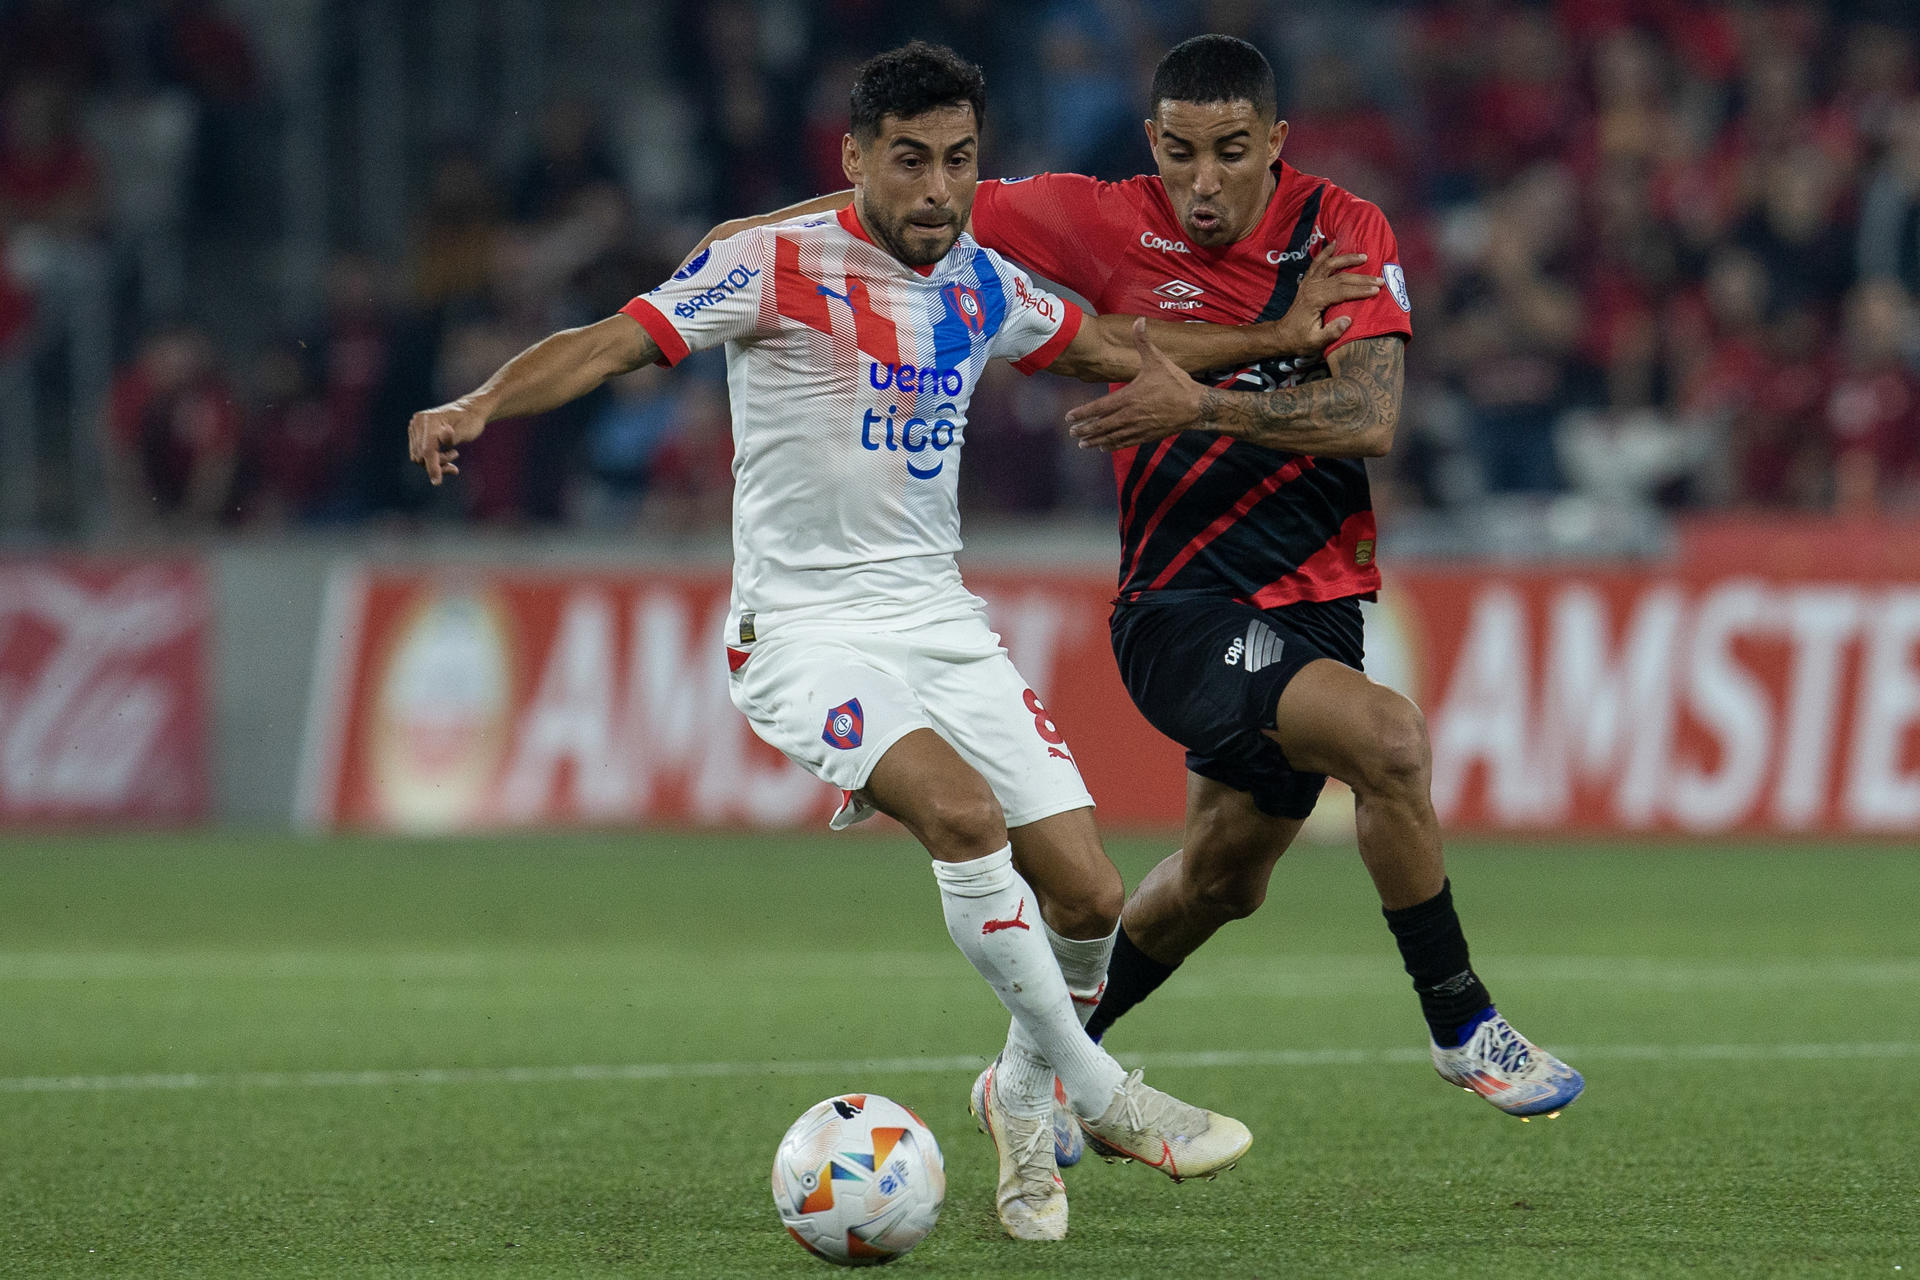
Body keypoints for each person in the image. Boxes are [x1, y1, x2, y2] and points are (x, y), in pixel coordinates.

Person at [406, 42, 1366, 1243]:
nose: (937, 190)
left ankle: (1021, 1098)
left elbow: (1119, 344)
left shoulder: (979, 283)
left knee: (1090, 889)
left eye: (960, 162)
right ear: (854, 159)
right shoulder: (768, 262)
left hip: (937, 620)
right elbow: (611, 339)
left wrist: (1278, 331)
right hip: (803, 632)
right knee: (964, 819)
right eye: (909, 162)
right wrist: (480, 401)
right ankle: (1108, 1092)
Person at [691, 34, 1585, 1139]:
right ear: (1150, 143)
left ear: (1277, 144)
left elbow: (1369, 415)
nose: (1201, 182)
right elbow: (906, 198)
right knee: (1389, 740)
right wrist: (757, 238)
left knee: (1221, 878)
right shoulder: (1097, 215)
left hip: (1316, 597)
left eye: (1230, 152)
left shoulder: (1342, 231)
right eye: (1178, 153)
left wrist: (1199, 405)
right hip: (1181, 609)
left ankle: (1045, 1071)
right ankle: (1463, 1022)